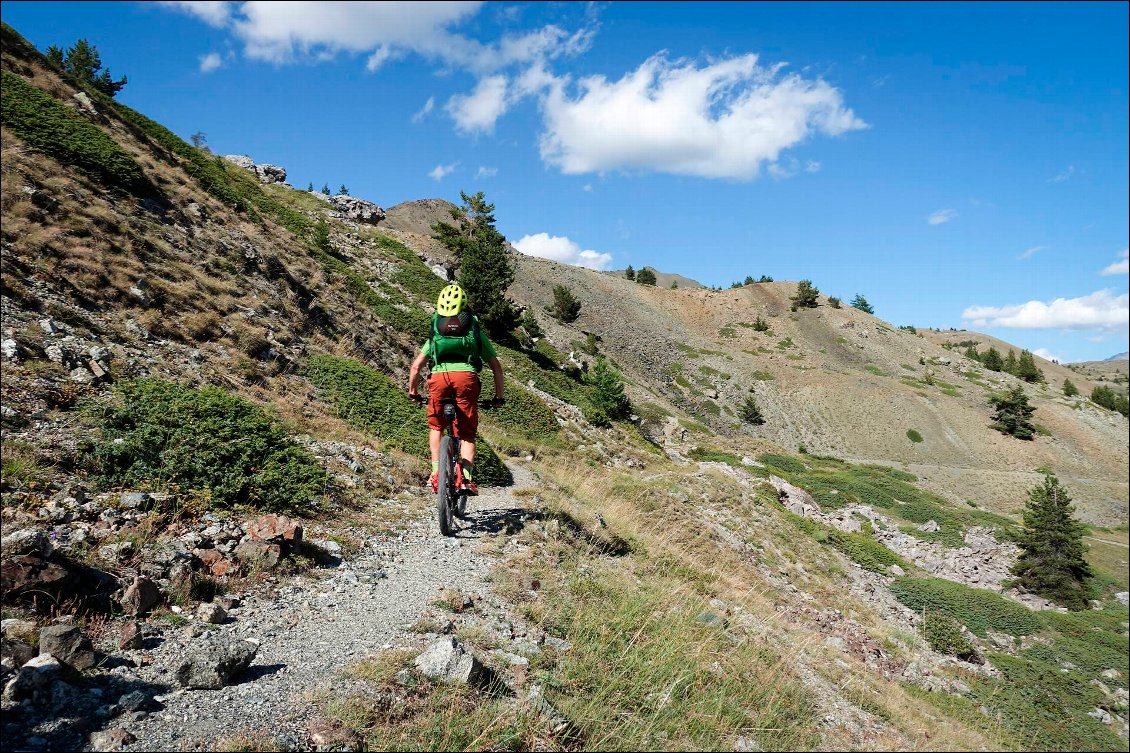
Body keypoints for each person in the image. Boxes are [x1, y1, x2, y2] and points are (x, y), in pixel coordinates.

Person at [408, 284, 504, 496]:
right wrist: (499, 397)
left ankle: (435, 473)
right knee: (467, 433)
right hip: (466, 379)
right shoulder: (473, 330)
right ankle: (466, 479)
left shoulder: (436, 331)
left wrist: (413, 392)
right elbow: (496, 366)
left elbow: (416, 366)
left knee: (436, 427)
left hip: (439, 378)